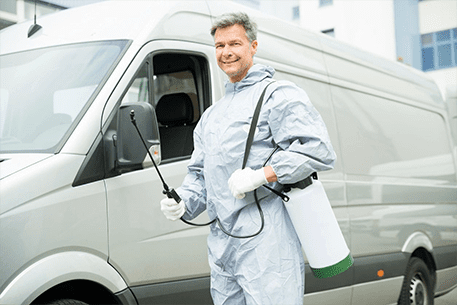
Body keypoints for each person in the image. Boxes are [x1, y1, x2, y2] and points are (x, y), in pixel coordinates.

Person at [160, 12, 336, 305]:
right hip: (222, 245)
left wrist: (262, 174)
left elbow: (317, 149)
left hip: (267, 244)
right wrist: (182, 201)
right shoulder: (210, 118)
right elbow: (201, 177)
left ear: (253, 46)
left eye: (235, 44)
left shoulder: (277, 95)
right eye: (219, 46)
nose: (226, 52)